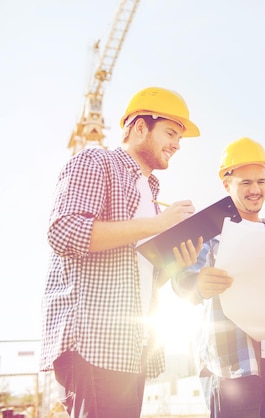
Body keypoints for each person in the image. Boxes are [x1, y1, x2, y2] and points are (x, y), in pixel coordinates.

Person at [40, 86, 201, 418]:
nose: (176, 144)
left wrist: (173, 264)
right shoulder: (95, 161)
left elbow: (136, 276)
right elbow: (64, 231)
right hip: (93, 341)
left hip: (130, 347)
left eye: (180, 138)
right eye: (170, 132)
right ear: (140, 127)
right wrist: (158, 225)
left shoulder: (151, 194)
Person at [172, 137, 265, 418]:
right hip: (232, 370)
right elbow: (181, 282)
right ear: (227, 185)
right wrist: (197, 284)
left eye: (261, 181)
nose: (255, 190)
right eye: (245, 183)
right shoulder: (209, 233)